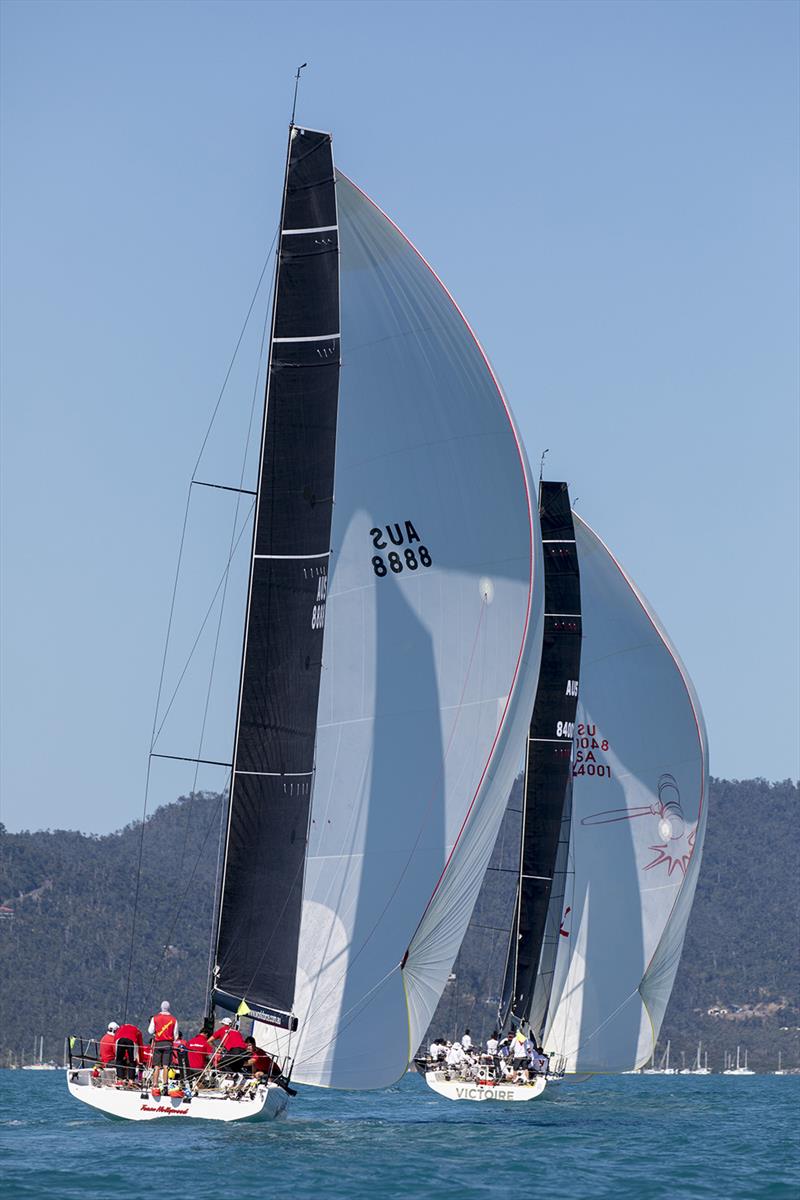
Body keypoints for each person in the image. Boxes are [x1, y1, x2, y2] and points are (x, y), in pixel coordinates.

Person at [148, 1001, 178, 1096]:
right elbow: (176, 1035)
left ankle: (155, 1084)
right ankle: (165, 1084)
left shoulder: (155, 1018)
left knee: (156, 1066)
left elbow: (150, 1031)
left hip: (158, 1043)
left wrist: (157, 1033)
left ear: (161, 1007)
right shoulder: (173, 1020)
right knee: (166, 1066)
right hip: (168, 1044)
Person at [114, 1021, 143, 1087]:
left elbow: (115, 1040)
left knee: (119, 1060)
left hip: (119, 1040)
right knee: (132, 1060)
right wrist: (141, 1061)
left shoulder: (120, 1028)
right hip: (131, 1040)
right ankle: (131, 1080)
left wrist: (117, 1055)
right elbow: (140, 1046)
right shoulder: (137, 1031)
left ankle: (120, 1080)